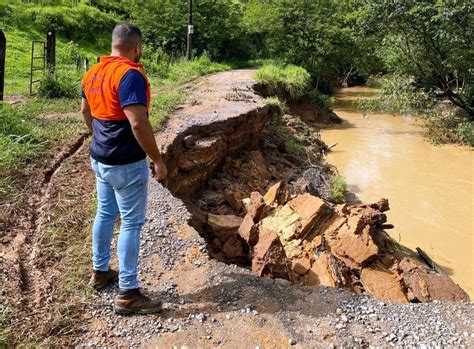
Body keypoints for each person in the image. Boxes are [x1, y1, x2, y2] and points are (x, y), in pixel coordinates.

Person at [81, 23, 167, 315]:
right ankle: (128, 292)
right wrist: (157, 159)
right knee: (131, 223)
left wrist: (101, 138)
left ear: (113, 44)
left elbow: (85, 112)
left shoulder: (93, 72)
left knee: (105, 212)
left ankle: (100, 270)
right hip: (125, 163)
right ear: (137, 47)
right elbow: (138, 123)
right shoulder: (130, 74)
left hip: (100, 158)